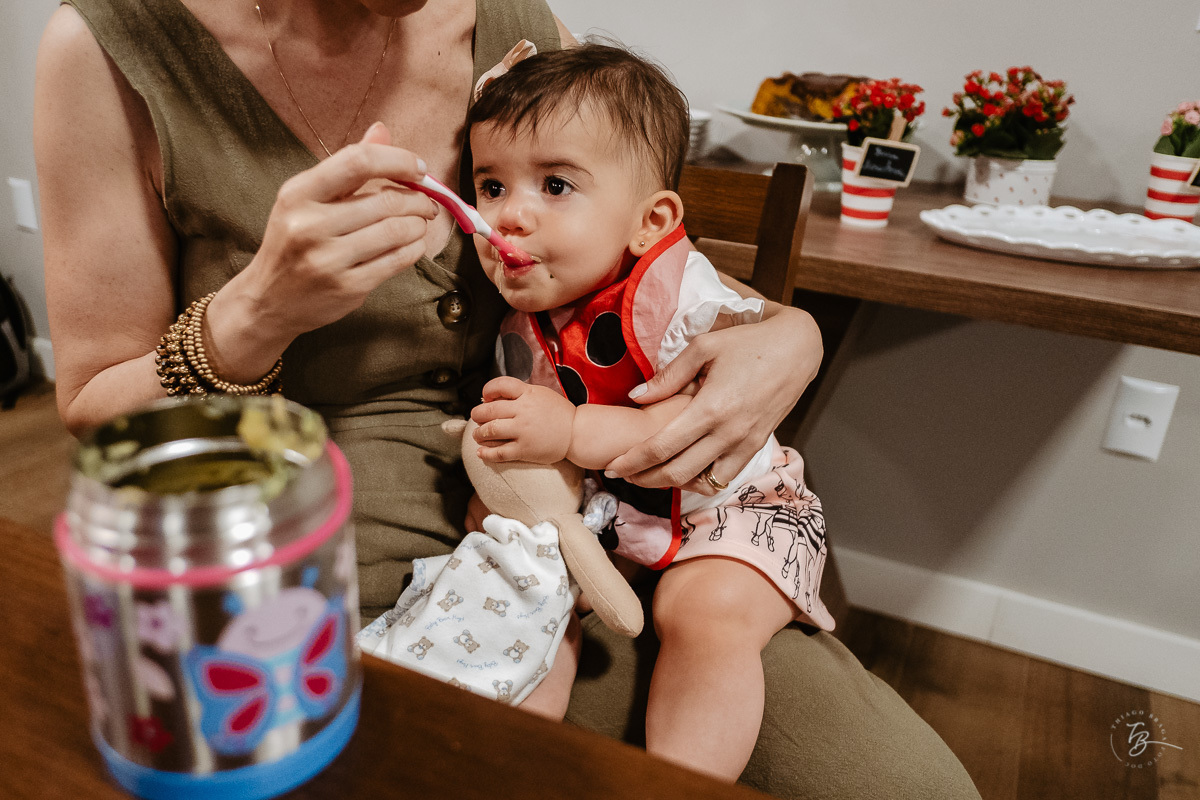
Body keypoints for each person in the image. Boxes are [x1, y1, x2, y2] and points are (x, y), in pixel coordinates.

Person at [32, 0, 980, 797]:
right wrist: (254, 314)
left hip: (608, 527)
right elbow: (95, 404)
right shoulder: (113, 53)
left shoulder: (513, 27)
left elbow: (630, 248)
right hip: (334, 542)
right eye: (489, 185)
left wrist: (791, 333)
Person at [460, 42, 832, 780]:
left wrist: (566, 430)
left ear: (649, 220)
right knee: (531, 590)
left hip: (735, 505)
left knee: (702, 615)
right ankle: (506, 765)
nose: (510, 217)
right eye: (490, 186)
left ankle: (679, 783)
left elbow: (690, 429)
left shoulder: (684, 301)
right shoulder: (520, 329)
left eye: (555, 184)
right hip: (616, 517)